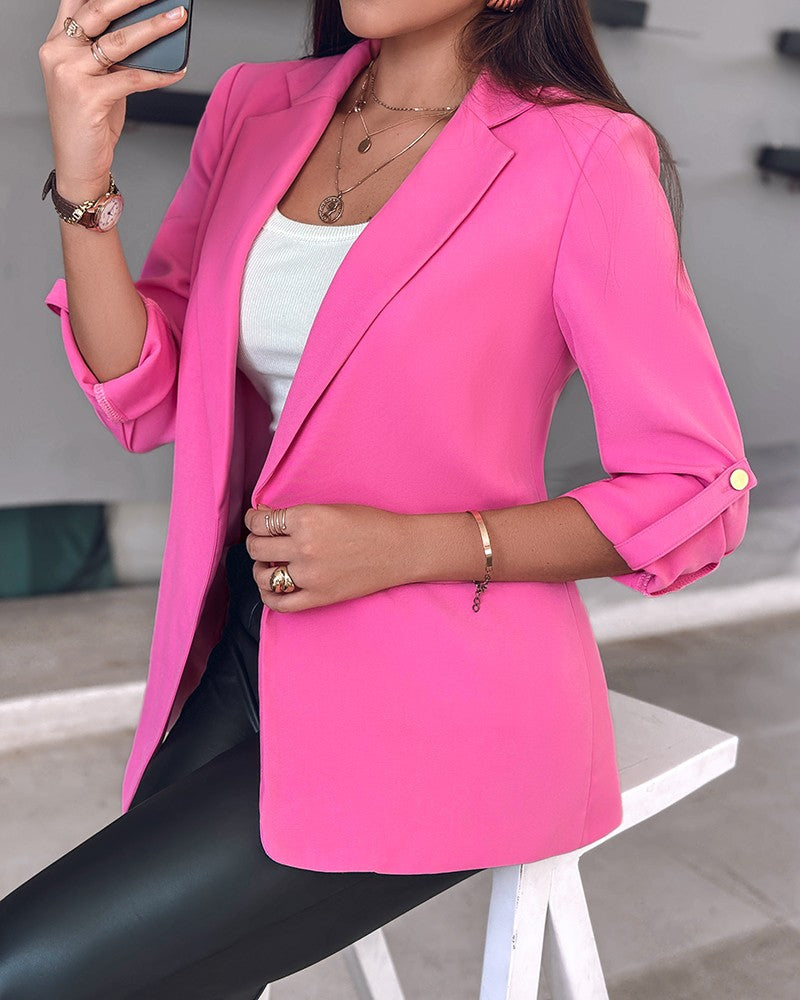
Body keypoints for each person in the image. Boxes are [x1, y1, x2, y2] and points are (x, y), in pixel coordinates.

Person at [1, 0, 757, 996]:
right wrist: (84, 178)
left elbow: (695, 488)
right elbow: (152, 388)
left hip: (445, 687)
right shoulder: (254, 108)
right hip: (247, 646)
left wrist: (408, 547)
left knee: (28, 965)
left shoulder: (582, 154)